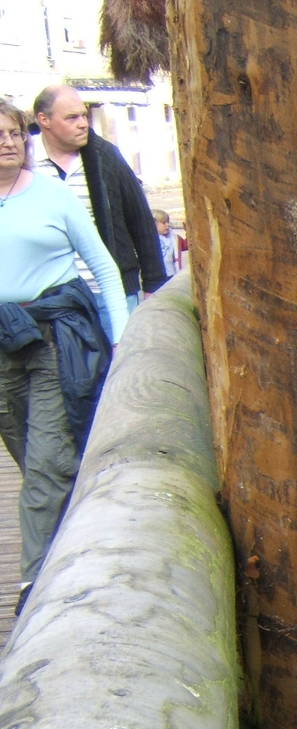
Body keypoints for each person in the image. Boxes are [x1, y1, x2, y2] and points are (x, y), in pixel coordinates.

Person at [0, 98, 125, 614]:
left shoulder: (52, 195)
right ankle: (80, 548)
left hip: (54, 338)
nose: (8, 142)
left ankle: (35, 591)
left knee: (49, 463)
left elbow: (102, 263)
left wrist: (122, 340)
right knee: (34, 461)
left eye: (12, 132)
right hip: (4, 345)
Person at [30, 85, 165, 340]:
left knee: (119, 372)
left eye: (84, 116)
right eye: (72, 118)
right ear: (44, 120)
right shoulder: (25, 164)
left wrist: (153, 285)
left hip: (111, 292)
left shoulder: (105, 156)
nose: (83, 124)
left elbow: (141, 221)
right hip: (52, 299)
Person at [153, 208, 182, 280]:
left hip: (171, 274)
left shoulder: (174, 237)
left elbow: (187, 245)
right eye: (163, 223)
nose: (167, 225)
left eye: (168, 222)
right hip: (156, 276)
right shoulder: (148, 240)